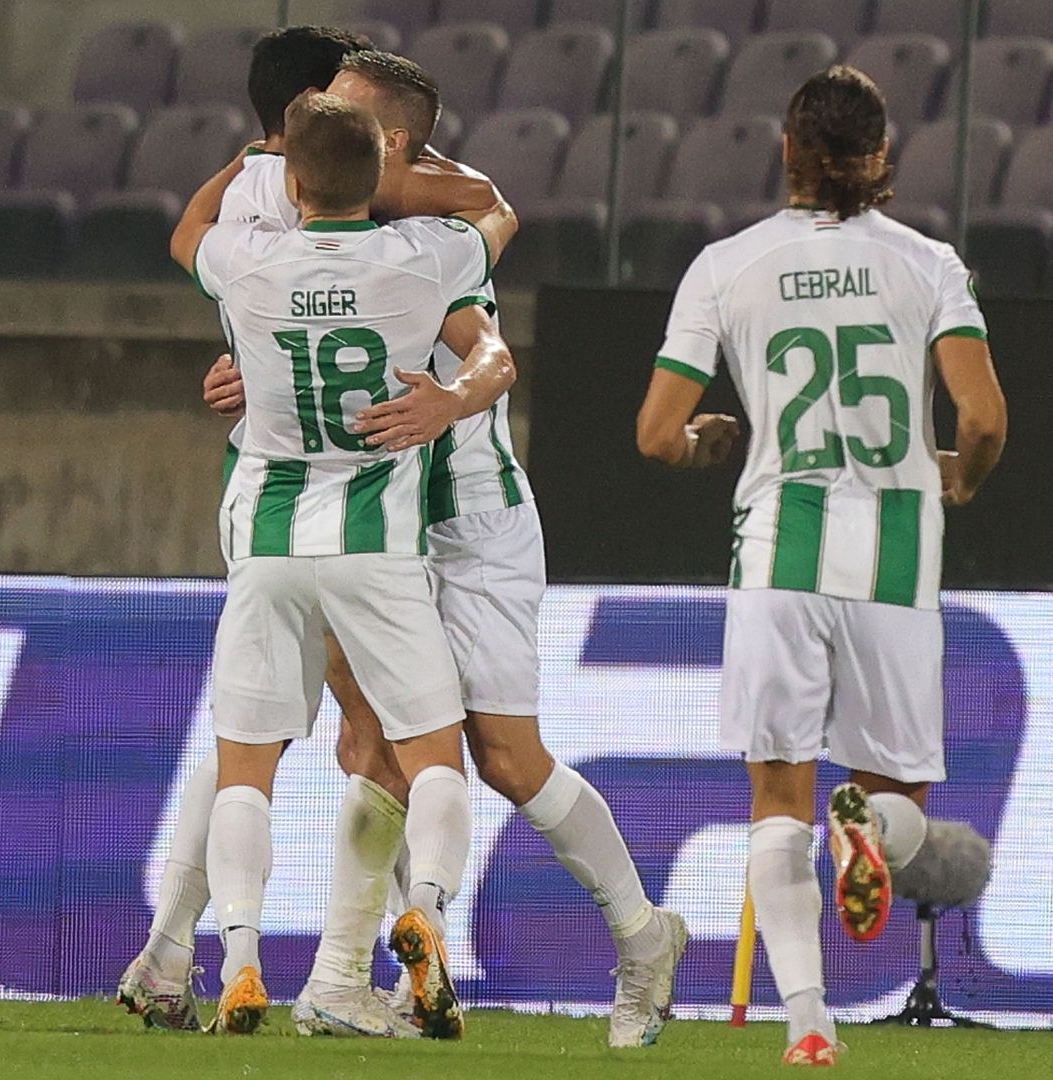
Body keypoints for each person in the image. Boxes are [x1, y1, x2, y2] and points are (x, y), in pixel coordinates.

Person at [180, 49, 690, 1047]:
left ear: (395, 141)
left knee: (504, 755)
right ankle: (340, 977)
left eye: (337, 113)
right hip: (372, 523)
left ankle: (641, 934)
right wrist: (248, 375)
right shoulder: (335, 218)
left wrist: (454, 399)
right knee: (370, 743)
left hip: (472, 517)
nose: (311, 128)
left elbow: (490, 332)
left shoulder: (449, 225)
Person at [635, 66, 1007, 1067]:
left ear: (788, 152)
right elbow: (982, 418)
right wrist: (960, 480)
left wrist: (718, 440)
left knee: (773, 804)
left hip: (779, 549)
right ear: (882, 158)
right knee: (902, 813)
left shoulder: (726, 264)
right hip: (893, 550)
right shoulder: (930, 264)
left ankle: (809, 1026)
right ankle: (865, 829)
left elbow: (658, 434)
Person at [169, 92, 516, 1038]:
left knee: (246, 768)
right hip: (376, 544)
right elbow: (496, 215)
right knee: (434, 756)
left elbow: (189, 230)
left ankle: (239, 960)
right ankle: (428, 915)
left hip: (271, 541)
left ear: (289, 181)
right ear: (382, 179)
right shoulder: (425, 259)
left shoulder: (250, 262)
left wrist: (250, 154)